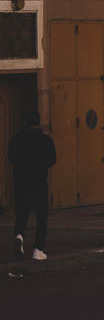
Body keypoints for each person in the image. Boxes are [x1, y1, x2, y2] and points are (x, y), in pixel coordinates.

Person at [8, 111, 57, 261]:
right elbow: (52, 159)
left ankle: (20, 235)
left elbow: (11, 157)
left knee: (22, 212)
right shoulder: (46, 140)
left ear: (26, 122)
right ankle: (38, 249)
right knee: (42, 216)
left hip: (22, 182)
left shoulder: (16, 139)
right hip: (39, 181)